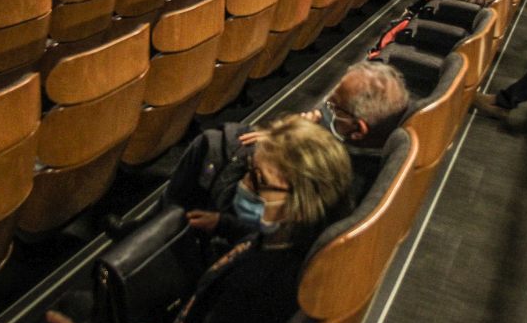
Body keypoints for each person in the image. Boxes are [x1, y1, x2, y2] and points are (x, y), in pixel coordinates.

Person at [16, 116, 353, 323]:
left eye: (258, 180)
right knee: (76, 305)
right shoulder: (296, 237)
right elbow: (256, 237)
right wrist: (224, 224)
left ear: (302, 202)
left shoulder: (259, 292)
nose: (243, 185)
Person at [108, 61, 409, 243]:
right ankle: (156, 224)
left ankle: (155, 230)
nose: (320, 111)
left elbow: (281, 231)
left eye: (333, 107)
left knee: (212, 145)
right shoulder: (369, 152)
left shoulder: (343, 181)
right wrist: (285, 135)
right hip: (269, 193)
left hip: (247, 218)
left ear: (357, 130)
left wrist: (281, 142)